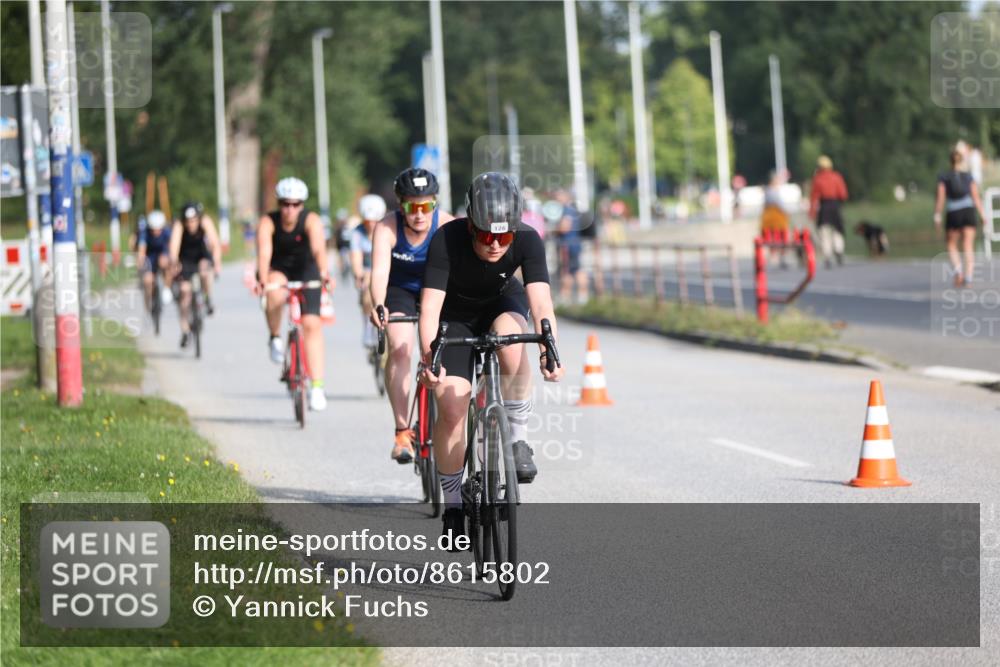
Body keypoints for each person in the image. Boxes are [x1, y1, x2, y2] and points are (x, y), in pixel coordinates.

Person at [418, 172, 563, 540]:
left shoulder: (528, 238)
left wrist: (550, 348)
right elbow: (430, 309)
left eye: (505, 236)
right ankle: (453, 505)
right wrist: (428, 358)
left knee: (512, 341)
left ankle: (517, 439)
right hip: (454, 317)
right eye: (486, 235)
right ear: (470, 226)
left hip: (501, 303)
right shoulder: (446, 239)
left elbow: (541, 301)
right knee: (451, 408)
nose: (496, 244)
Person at [370, 168, 454, 464]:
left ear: (435, 203)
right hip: (400, 291)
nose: (419, 214)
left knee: (449, 347)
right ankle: (402, 431)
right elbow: (380, 272)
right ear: (399, 204)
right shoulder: (387, 228)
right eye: (411, 206)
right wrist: (378, 304)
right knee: (401, 347)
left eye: (426, 206)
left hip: (440, 291)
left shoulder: (446, 224)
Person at [255, 177, 333, 411]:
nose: (290, 209)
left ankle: (317, 387)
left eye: (295, 204)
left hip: (306, 268)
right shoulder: (268, 222)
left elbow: (319, 248)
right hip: (280, 268)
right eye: (285, 204)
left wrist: (324, 272)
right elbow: (264, 253)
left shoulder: (311, 220)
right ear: (279, 204)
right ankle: (275, 336)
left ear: (302, 205)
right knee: (275, 292)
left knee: (312, 324)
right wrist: (262, 277)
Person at [168, 202, 222, 347]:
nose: (191, 224)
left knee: (205, 270)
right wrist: (174, 262)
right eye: (188, 222)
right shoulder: (179, 226)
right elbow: (173, 247)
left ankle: (207, 298)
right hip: (184, 259)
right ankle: (185, 330)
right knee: (184, 293)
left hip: (201, 256)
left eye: (194, 221)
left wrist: (217, 264)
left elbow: (215, 244)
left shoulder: (205, 221)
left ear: (198, 218)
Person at [934, 149, 988, 287]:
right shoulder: (968, 176)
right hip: (968, 211)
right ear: (961, 161)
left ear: (950, 161)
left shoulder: (944, 177)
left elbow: (941, 198)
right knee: (968, 245)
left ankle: (958, 272)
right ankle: (968, 278)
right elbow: (975, 197)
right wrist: (982, 214)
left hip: (953, 213)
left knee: (951, 244)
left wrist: (937, 215)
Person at [351, 194, 386, 350]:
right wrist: (358, 274)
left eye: (374, 221)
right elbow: (355, 257)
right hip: (367, 270)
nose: (371, 224)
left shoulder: (386, 229)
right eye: (367, 221)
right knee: (367, 281)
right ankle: (367, 326)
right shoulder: (357, 233)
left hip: (385, 268)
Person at [808, 155, 849, 269]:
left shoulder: (818, 179)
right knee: (837, 230)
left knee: (824, 232)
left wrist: (812, 212)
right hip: (835, 206)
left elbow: (814, 197)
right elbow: (843, 195)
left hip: (824, 207)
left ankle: (827, 255)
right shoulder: (836, 177)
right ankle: (839, 250)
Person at [555, 189, 588, 304]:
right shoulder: (573, 209)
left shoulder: (567, 210)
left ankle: (565, 296)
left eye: (559, 196)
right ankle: (582, 296)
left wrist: (555, 229)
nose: (557, 198)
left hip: (567, 245)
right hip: (575, 243)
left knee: (567, 270)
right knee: (577, 269)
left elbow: (565, 227)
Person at [137, 209, 172, 311]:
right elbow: (141, 250)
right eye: (153, 229)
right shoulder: (144, 233)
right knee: (148, 280)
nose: (156, 232)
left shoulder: (167, 232)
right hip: (150, 257)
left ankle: (166, 288)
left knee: (164, 261)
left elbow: (172, 247)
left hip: (163, 254)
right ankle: (148, 304)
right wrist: (140, 265)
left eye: (158, 229)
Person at [761, 172, 791, 268]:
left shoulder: (766, 191)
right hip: (777, 219)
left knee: (771, 239)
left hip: (768, 219)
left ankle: (773, 257)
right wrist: (786, 212)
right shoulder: (773, 191)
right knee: (781, 239)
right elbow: (779, 204)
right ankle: (781, 258)